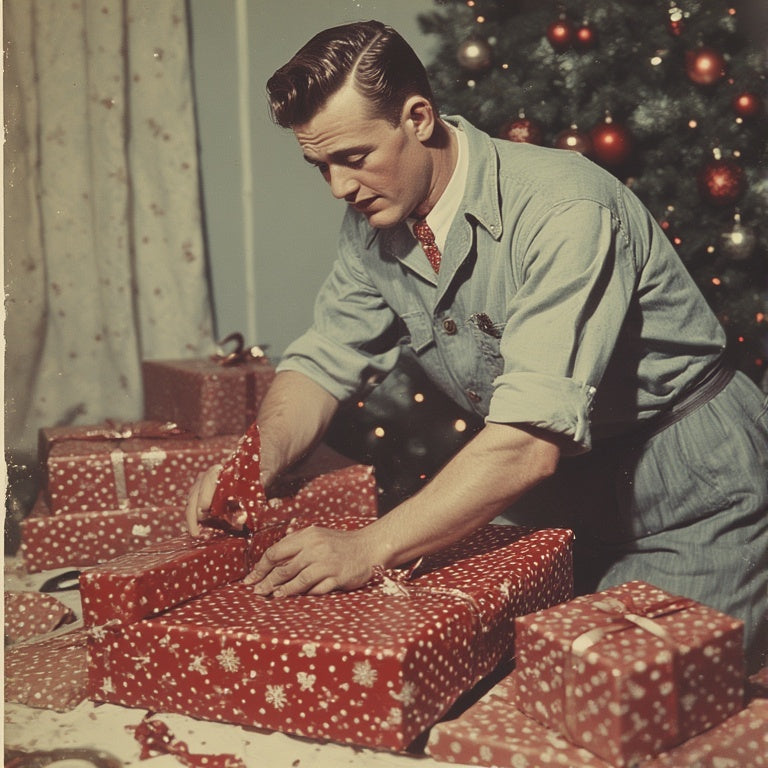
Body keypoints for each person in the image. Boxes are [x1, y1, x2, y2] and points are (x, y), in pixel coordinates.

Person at [186, 20, 768, 670]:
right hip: (557, 490)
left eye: (353, 157)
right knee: (471, 674)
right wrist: (255, 461)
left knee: (619, 693)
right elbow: (324, 360)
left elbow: (526, 444)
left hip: (687, 483)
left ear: (419, 118)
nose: (339, 188)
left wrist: (366, 547)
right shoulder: (373, 219)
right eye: (320, 165)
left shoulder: (565, 206)